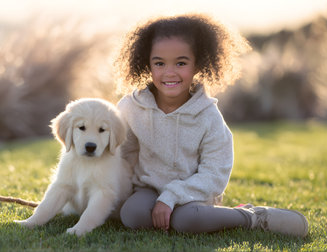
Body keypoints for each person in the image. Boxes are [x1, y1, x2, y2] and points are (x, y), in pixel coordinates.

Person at [115, 13, 308, 237]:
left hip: (193, 195)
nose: (169, 72)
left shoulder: (208, 116)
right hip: (147, 190)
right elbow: (120, 154)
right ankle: (165, 214)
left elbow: (215, 174)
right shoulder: (131, 107)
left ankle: (252, 217)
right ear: (146, 64)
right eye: (159, 63)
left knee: (187, 221)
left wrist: (170, 197)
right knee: (132, 214)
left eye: (181, 63)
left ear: (198, 64)